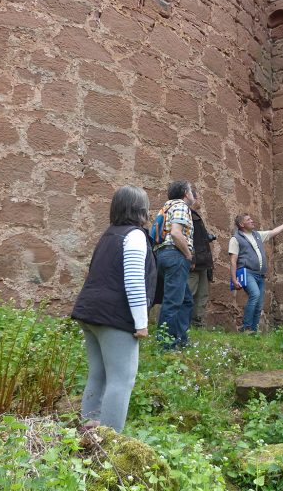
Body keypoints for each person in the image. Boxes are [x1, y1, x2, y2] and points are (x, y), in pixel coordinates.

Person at [71, 185, 156, 432]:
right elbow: (133, 280)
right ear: (140, 209)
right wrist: (141, 323)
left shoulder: (108, 235)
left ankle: (88, 431)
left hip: (90, 311)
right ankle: (109, 442)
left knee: (98, 374)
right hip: (114, 317)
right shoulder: (135, 236)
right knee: (122, 379)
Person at [228, 213, 283, 333]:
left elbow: (273, 232)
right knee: (255, 294)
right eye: (249, 220)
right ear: (242, 224)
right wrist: (234, 279)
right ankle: (246, 327)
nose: (252, 221)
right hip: (247, 273)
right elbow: (233, 260)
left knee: (259, 304)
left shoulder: (257, 235)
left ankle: (253, 331)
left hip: (260, 275)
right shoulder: (235, 239)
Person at [154, 180, 195, 350]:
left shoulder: (166, 208)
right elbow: (176, 233)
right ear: (186, 192)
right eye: (192, 191)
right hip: (175, 254)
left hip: (162, 255)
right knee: (173, 301)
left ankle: (181, 339)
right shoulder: (181, 206)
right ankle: (166, 345)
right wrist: (187, 255)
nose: (193, 195)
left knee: (186, 300)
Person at [189, 192, 215, 327]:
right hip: (194, 263)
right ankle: (183, 324)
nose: (199, 201)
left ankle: (197, 326)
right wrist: (192, 258)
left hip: (203, 263)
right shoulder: (186, 215)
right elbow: (187, 239)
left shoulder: (196, 216)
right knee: (188, 294)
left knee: (202, 296)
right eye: (197, 198)